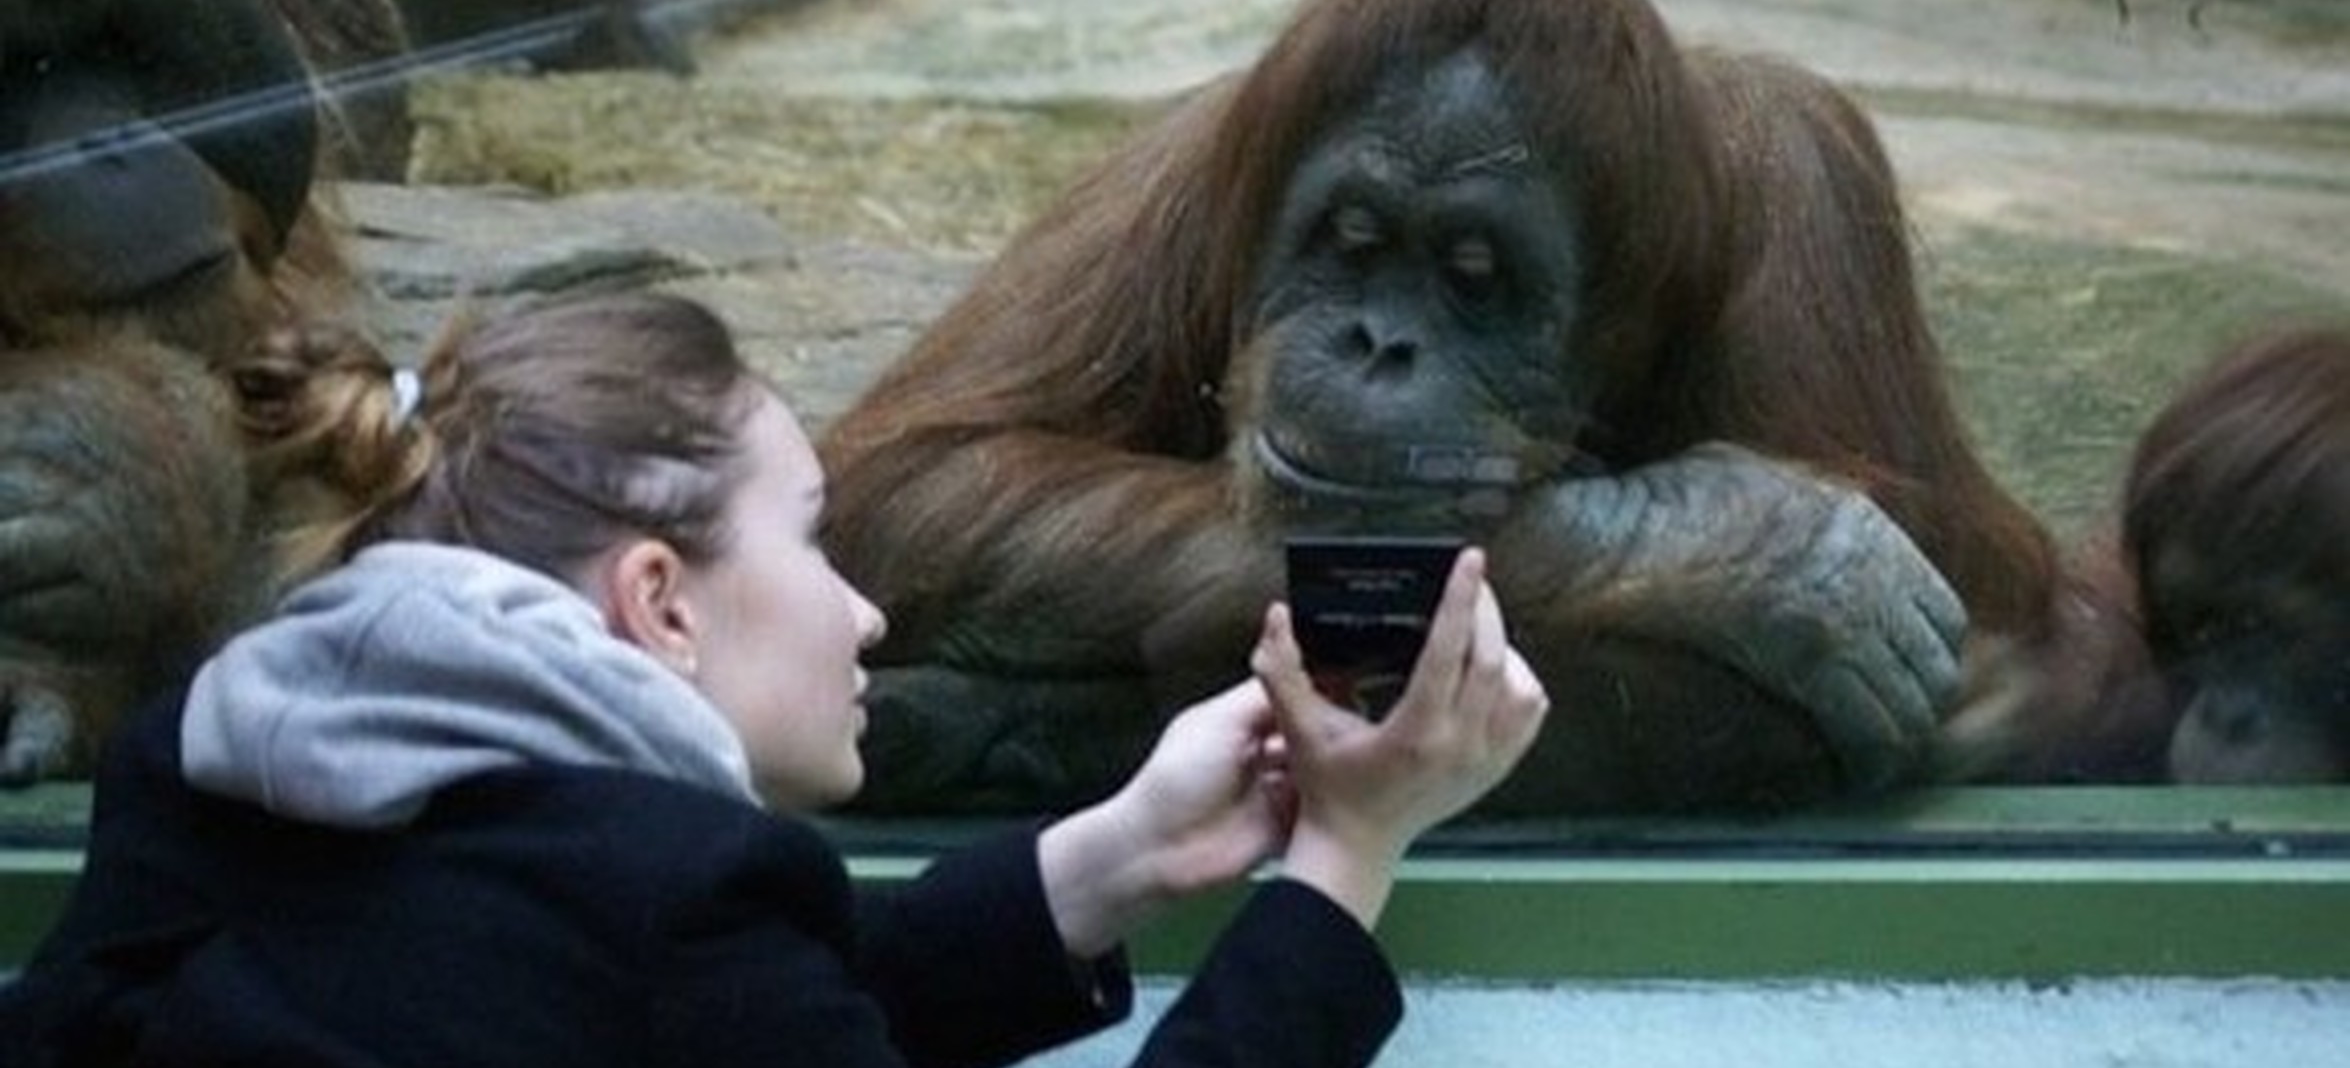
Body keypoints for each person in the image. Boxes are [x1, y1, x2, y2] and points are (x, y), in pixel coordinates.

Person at [0, 289, 1549, 1067]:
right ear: (660, 603)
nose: (866, 613)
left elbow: (719, 1016)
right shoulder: (680, 909)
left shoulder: (196, 779)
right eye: (814, 541)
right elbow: (714, 990)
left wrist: (1123, 849)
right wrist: (1342, 865)